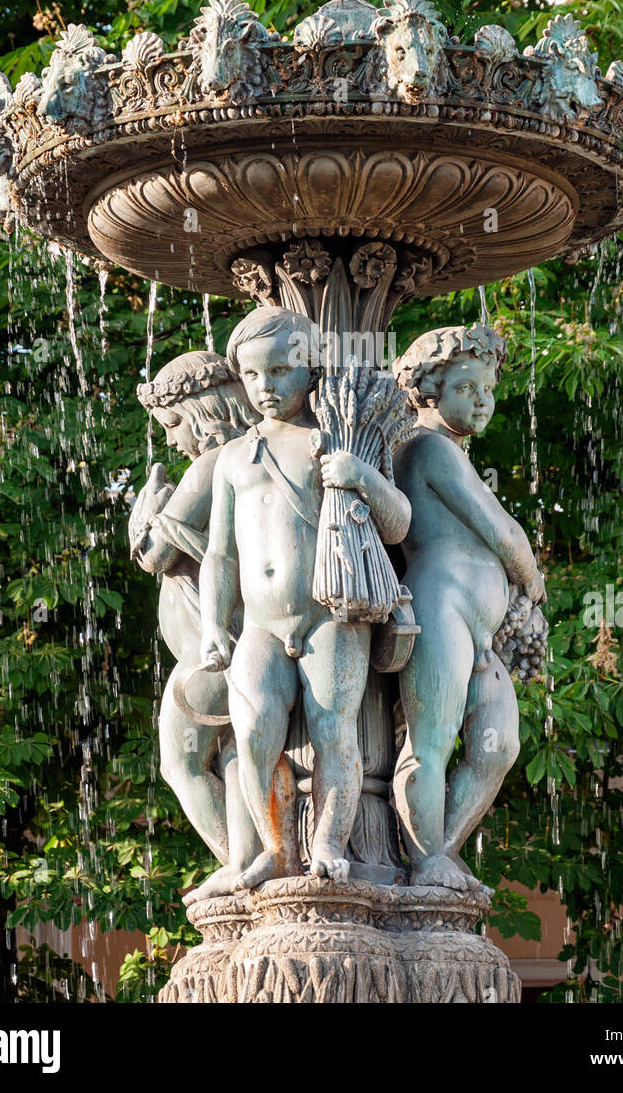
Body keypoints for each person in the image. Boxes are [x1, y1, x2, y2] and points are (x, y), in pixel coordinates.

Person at [199, 306, 410, 888]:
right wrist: (215, 625)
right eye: (252, 376)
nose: (266, 388)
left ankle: (328, 841)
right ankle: (274, 844)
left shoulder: (336, 439)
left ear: (310, 368)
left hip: (331, 615)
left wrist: (359, 476)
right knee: (254, 725)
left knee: (332, 726)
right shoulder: (233, 458)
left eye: (281, 371)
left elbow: (398, 524)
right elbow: (220, 553)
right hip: (262, 626)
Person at [391, 324, 545, 890]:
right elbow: (499, 530)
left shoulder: (449, 450)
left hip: (480, 627)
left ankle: (442, 850)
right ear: (431, 389)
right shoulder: (428, 446)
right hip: (441, 603)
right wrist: (530, 578)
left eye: (489, 389)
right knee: (431, 739)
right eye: (467, 388)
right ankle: (427, 858)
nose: (482, 401)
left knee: (498, 743)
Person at [129, 350, 260, 898]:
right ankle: (251, 861)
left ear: (205, 409)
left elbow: (156, 552)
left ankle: (237, 863)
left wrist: (147, 509)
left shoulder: (211, 465)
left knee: (180, 761)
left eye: (175, 423)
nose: (175, 440)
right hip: (236, 645)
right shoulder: (251, 457)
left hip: (212, 652)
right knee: (231, 756)